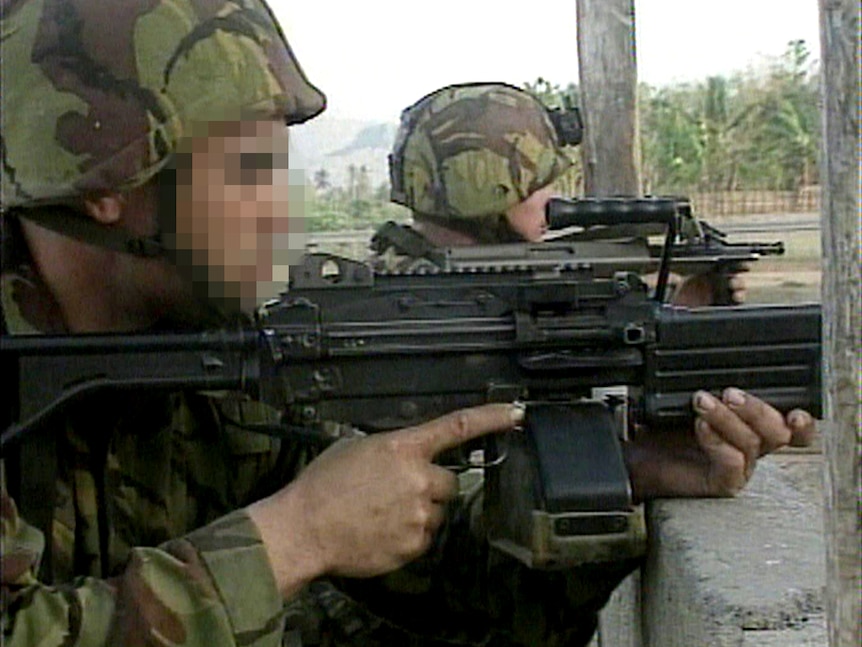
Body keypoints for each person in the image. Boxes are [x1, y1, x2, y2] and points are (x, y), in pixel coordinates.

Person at [0, 3, 522, 645]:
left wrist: (605, 485)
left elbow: (470, 594)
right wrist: (296, 536)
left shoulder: (213, 342)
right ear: (103, 180)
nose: (283, 214)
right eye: (249, 171)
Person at [380, 82, 817, 504]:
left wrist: (675, 344)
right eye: (539, 181)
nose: (552, 198)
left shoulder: (407, 289)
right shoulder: (407, 310)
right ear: (488, 185)